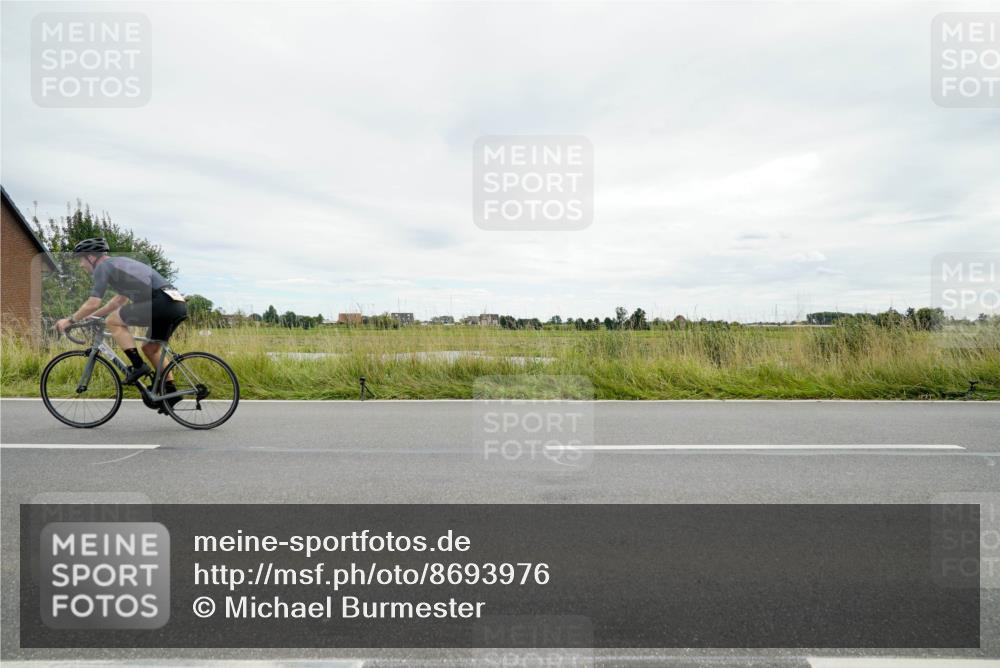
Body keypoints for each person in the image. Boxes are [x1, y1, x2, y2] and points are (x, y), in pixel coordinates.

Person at [55, 238, 188, 410]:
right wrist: (90, 318)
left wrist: (70, 320)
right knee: (150, 348)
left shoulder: (103, 267)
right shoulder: (119, 265)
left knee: (113, 321)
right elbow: (118, 301)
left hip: (160, 303)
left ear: (91, 257)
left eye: (81, 259)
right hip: (175, 304)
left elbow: (93, 302)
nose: (81, 265)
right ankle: (171, 391)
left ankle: (138, 366)